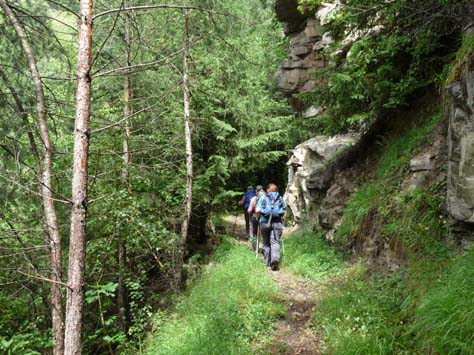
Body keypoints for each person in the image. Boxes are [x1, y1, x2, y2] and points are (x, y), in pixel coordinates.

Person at [256, 183, 286, 271]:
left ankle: (267, 262)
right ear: (276, 190)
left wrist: (258, 217)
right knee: (275, 241)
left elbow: (257, 210)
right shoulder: (280, 198)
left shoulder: (263, 197)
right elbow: (284, 209)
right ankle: (275, 259)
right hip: (277, 223)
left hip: (264, 223)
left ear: (267, 190)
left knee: (266, 243)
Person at [247, 185, 265, 250]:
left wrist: (250, 212)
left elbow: (249, 210)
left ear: (256, 191)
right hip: (264, 218)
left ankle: (255, 248)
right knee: (263, 233)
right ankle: (264, 248)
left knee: (254, 233)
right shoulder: (266, 198)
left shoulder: (254, 199)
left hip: (255, 217)